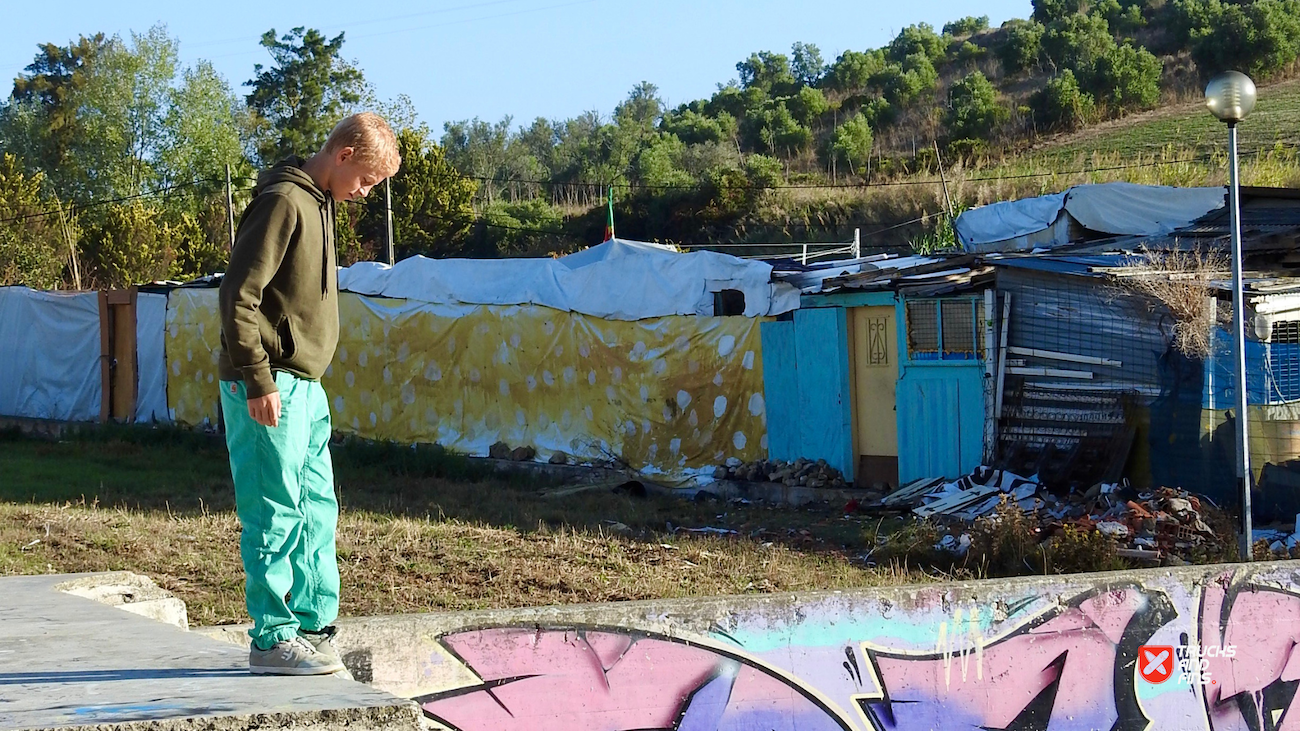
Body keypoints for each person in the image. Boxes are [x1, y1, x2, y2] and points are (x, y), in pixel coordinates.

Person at [217, 112, 400, 675]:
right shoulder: (283, 202)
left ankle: (313, 624)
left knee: (317, 509)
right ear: (343, 155)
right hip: (269, 384)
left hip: (307, 386)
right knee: (274, 510)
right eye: (366, 180)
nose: (365, 193)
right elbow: (237, 296)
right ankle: (271, 640)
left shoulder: (320, 202)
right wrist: (256, 377)